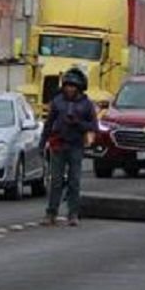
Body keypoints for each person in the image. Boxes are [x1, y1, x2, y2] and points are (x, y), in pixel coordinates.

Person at [39, 68, 97, 227]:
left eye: (73, 86)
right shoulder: (57, 102)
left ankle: (73, 213)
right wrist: (42, 143)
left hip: (76, 145)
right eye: (67, 86)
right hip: (58, 144)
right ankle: (51, 212)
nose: (69, 89)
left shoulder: (87, 104)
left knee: (74, 181)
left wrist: (78, 123)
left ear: (79, 88)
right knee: (56, 181)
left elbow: (94, 126)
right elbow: (49, 124)